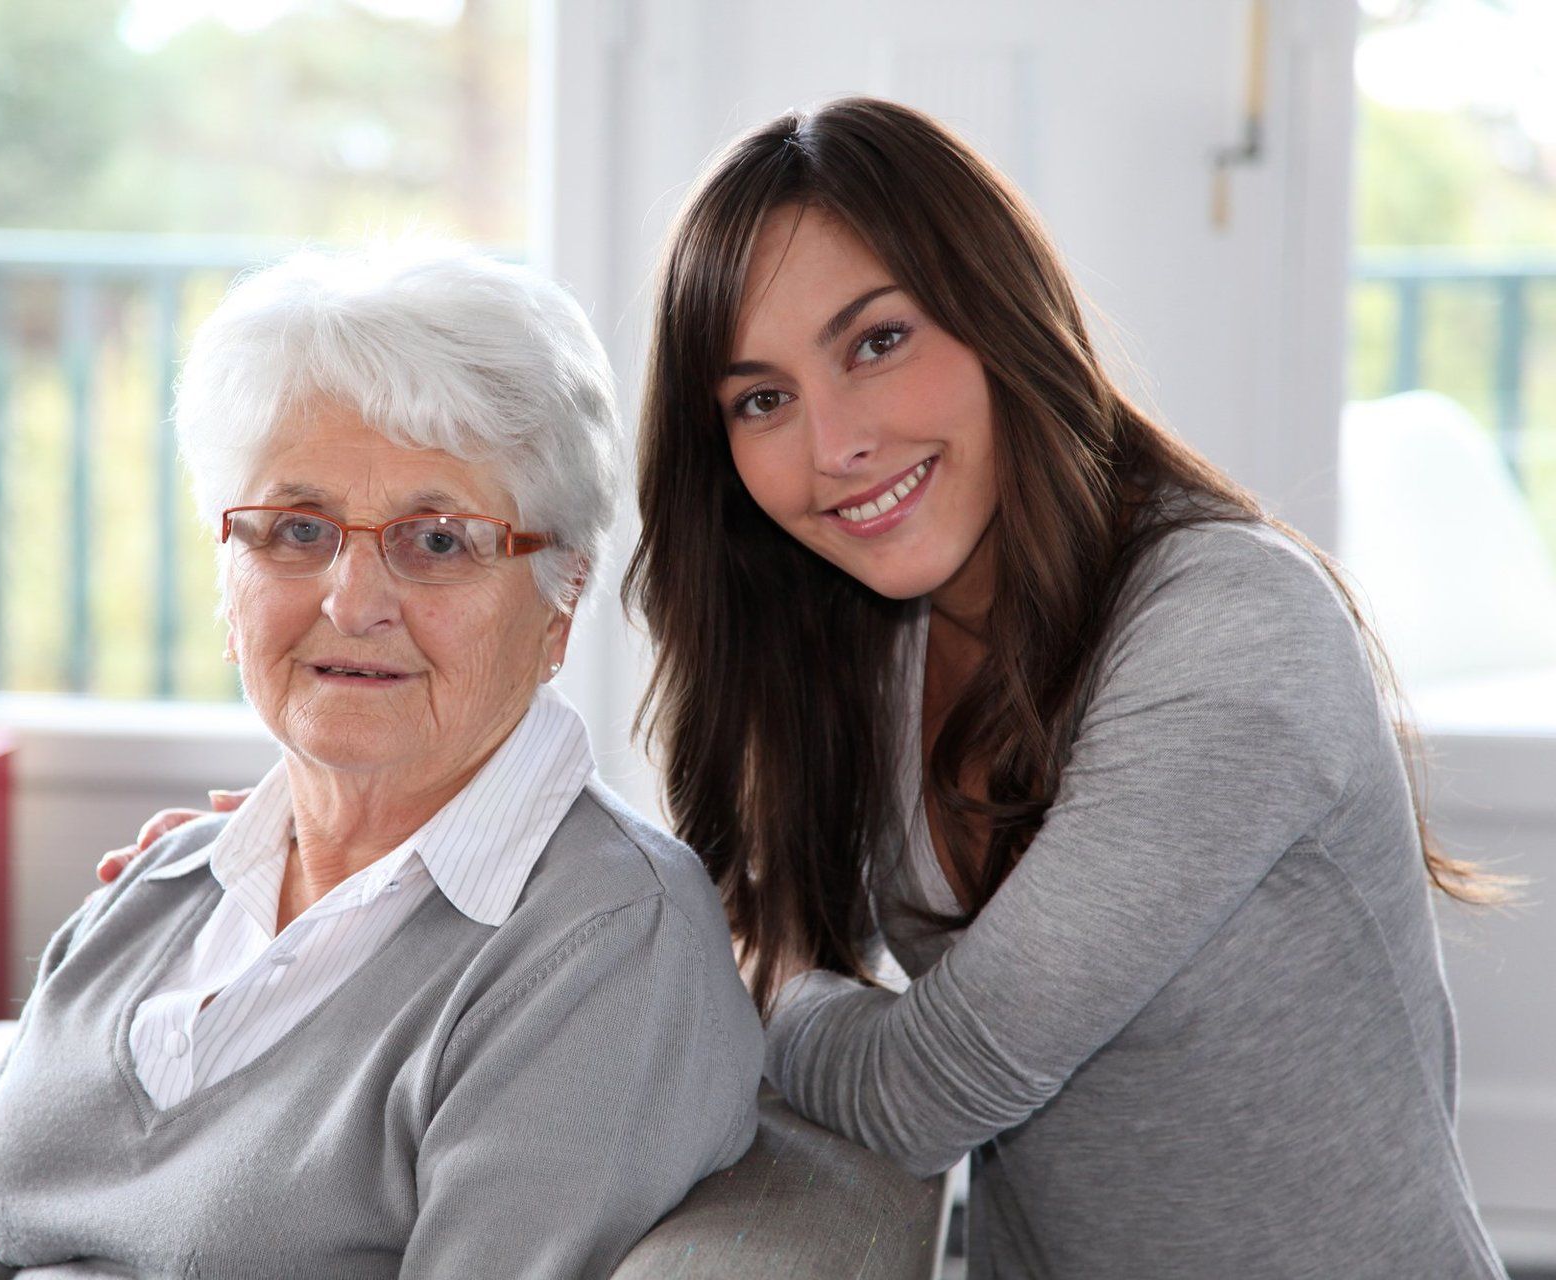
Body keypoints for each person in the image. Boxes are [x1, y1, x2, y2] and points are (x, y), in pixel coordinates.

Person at [112, 99, 1511, 1279]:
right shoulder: (877, 628)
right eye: (761, 398)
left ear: (999, 315)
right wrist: (359, 864)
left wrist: (722, 958)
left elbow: (924, 1086)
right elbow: (704, 914)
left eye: (877, 341)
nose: (834, 444)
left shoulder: (1228, 630)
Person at [0, 244, 762, 1280]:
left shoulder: (604, 949)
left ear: (561, 600)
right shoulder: (151, 895)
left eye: (438, 540)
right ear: (227, 582)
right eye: (295, 528)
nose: (351, 600)